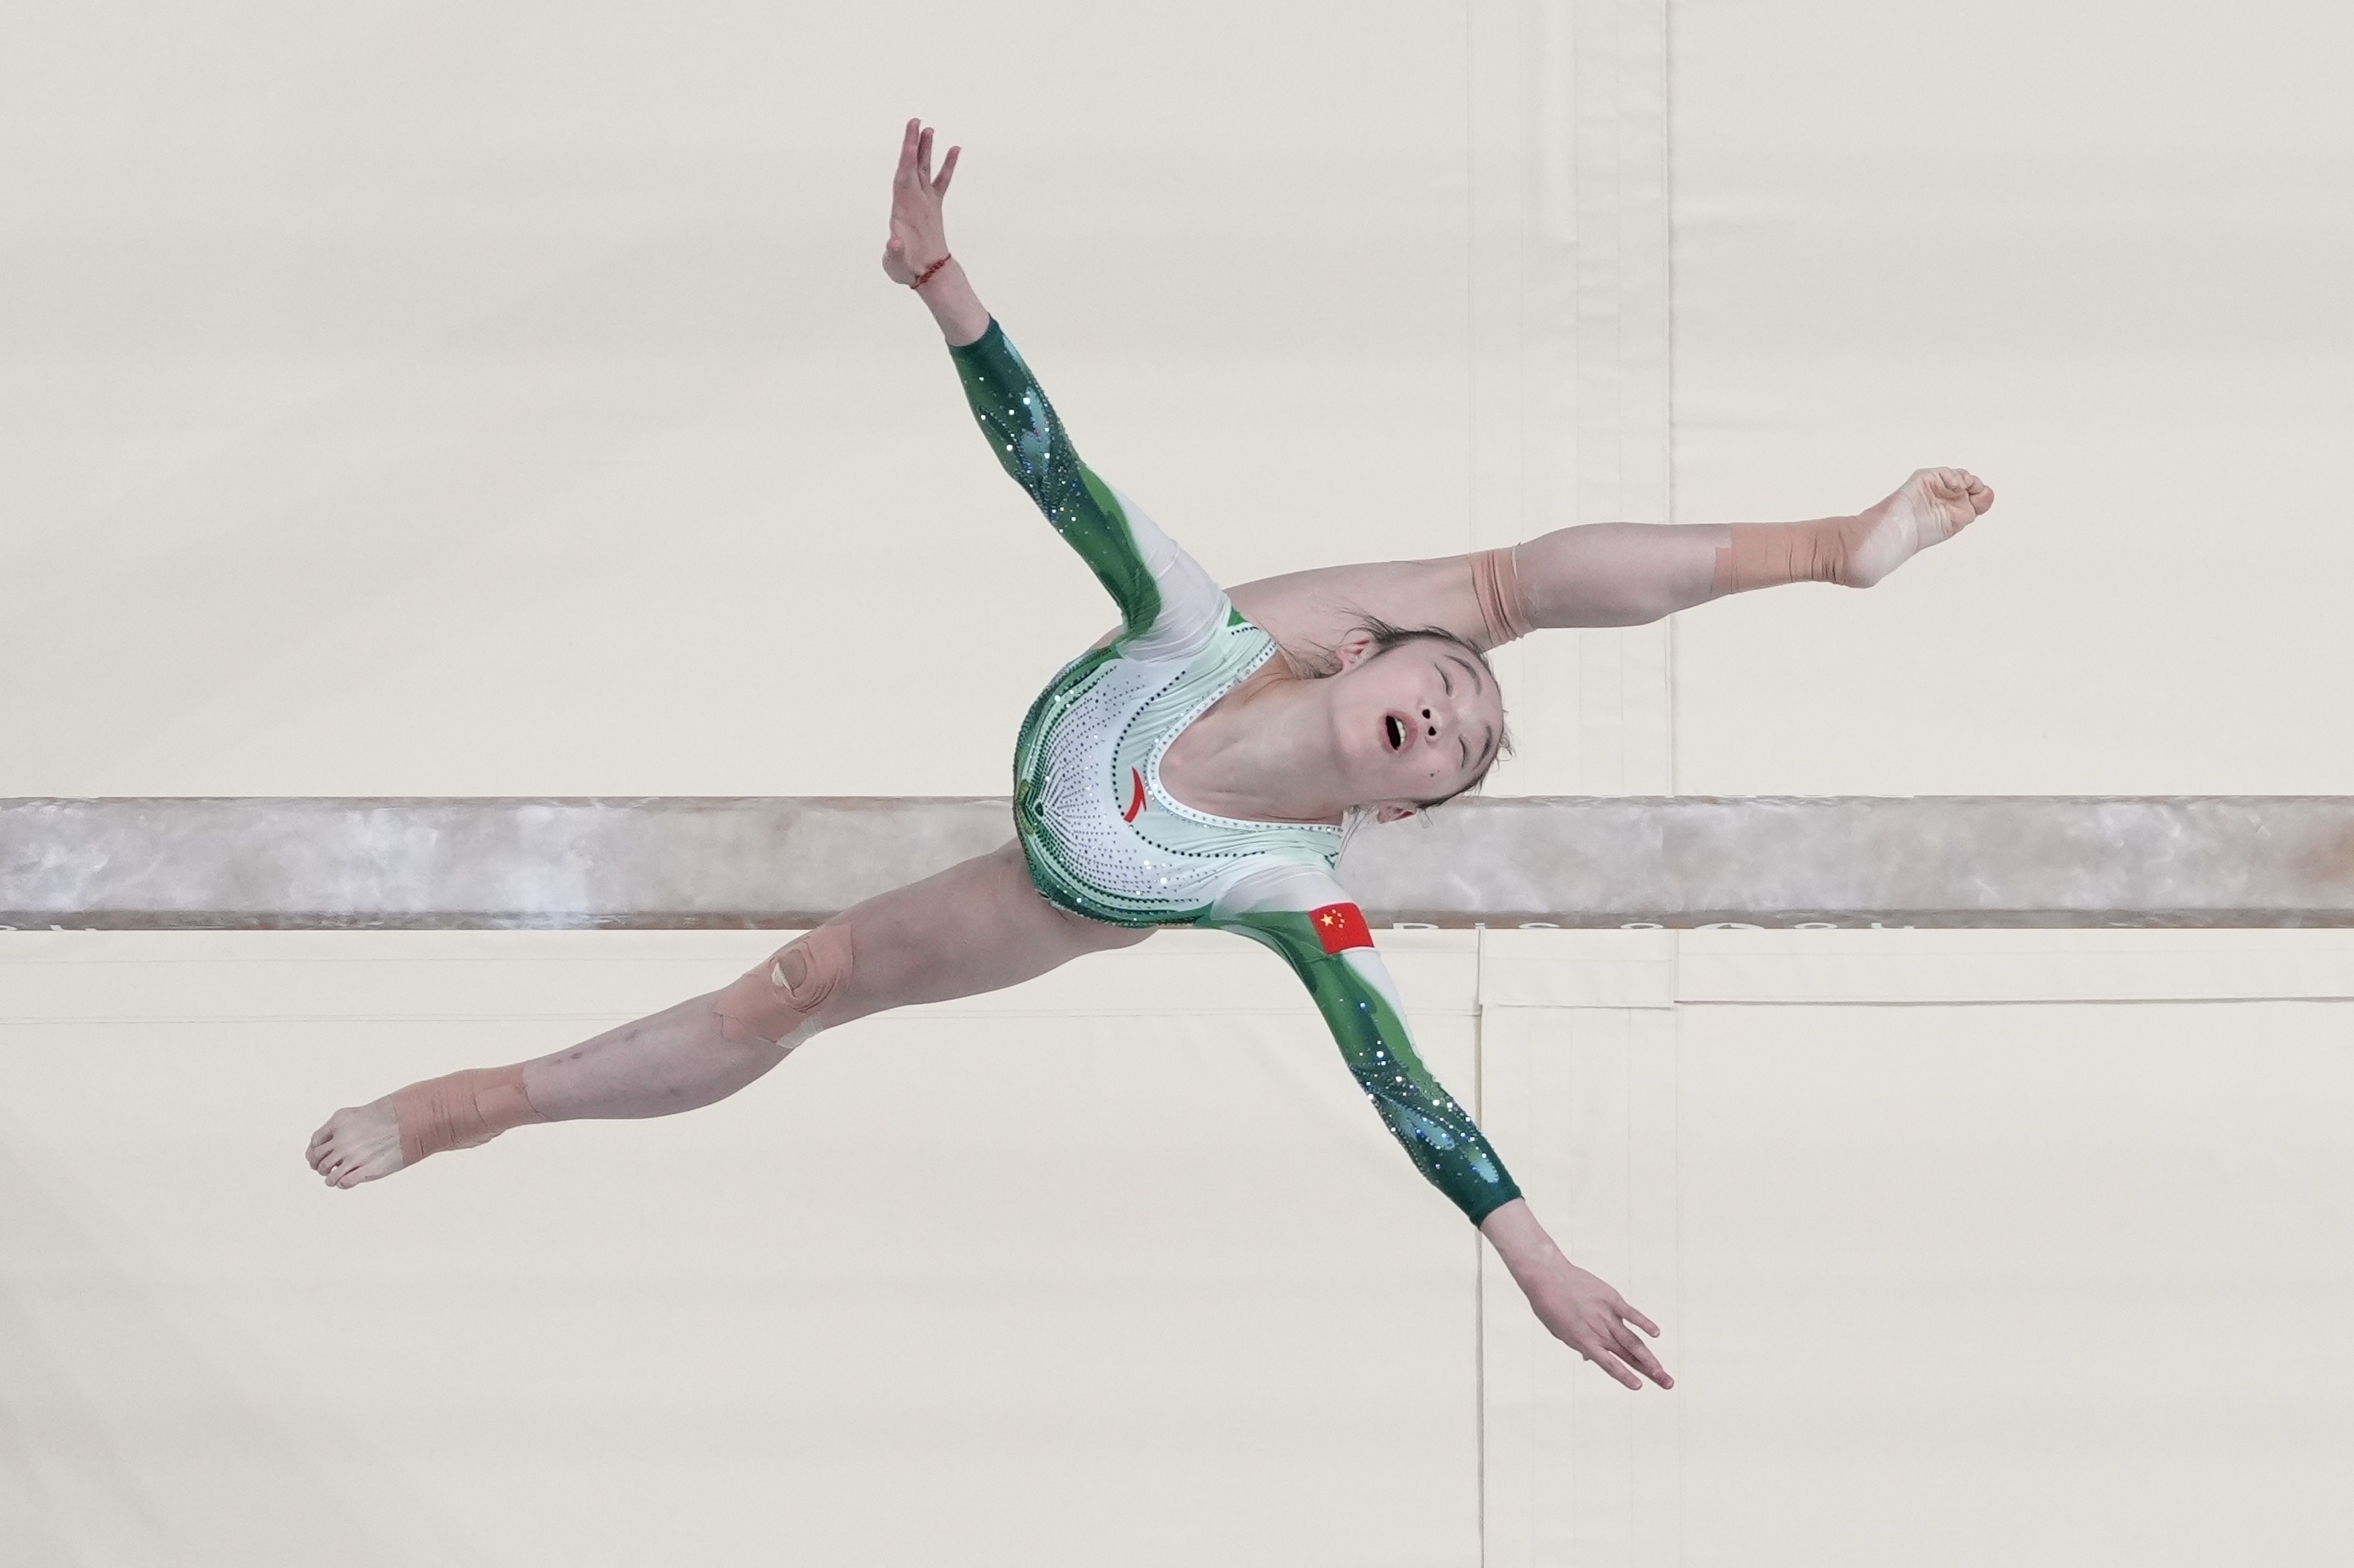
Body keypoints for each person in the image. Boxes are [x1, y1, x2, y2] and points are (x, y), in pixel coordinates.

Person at [306, 120, 1995, 1392]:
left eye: (1460, 749)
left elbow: (1394, 1073)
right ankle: (1824, 549)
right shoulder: (1210, 623)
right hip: (1216, 676)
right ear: (1364, 665)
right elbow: (1057, 471)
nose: (1455, 716)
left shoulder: (1287, 883)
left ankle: (486, 1100)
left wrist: (1532, 1257)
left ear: (1395, 803)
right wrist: (940, 281)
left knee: (800, 982)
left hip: (1087, 878)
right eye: (1447, 695)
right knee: (1496, 589)